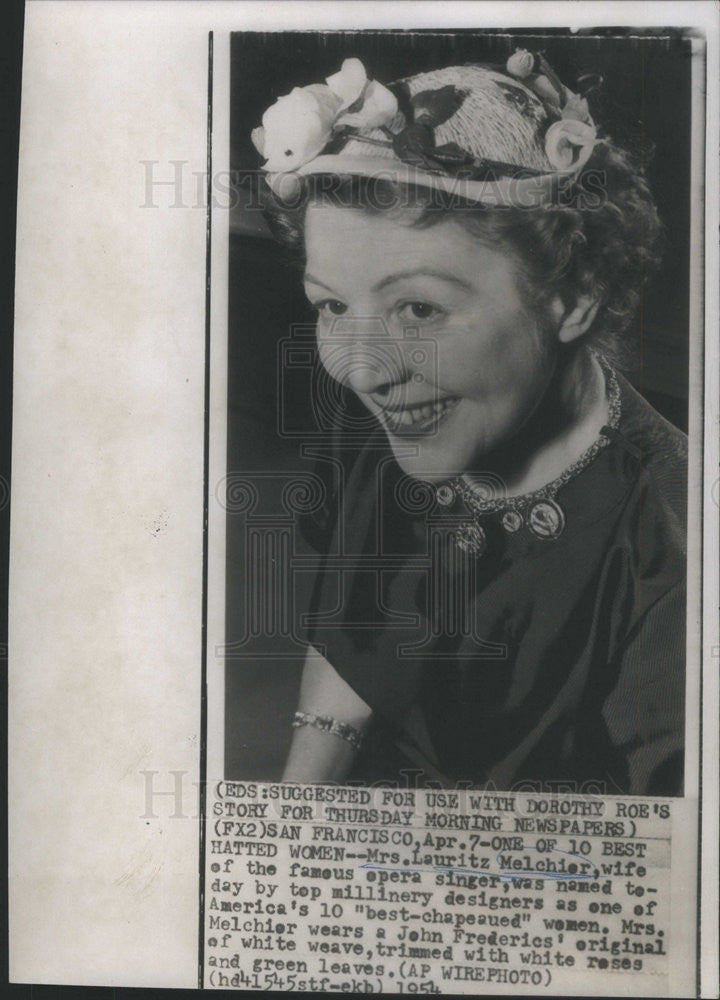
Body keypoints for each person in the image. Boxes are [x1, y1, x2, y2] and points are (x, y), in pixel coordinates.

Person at [249, 53, 687, 794]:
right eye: (332, 305)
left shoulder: (675, 556)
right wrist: (295, 819)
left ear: (574, 296)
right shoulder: (395, 416)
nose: (360, 373)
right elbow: (352, 631)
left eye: (419, 309)